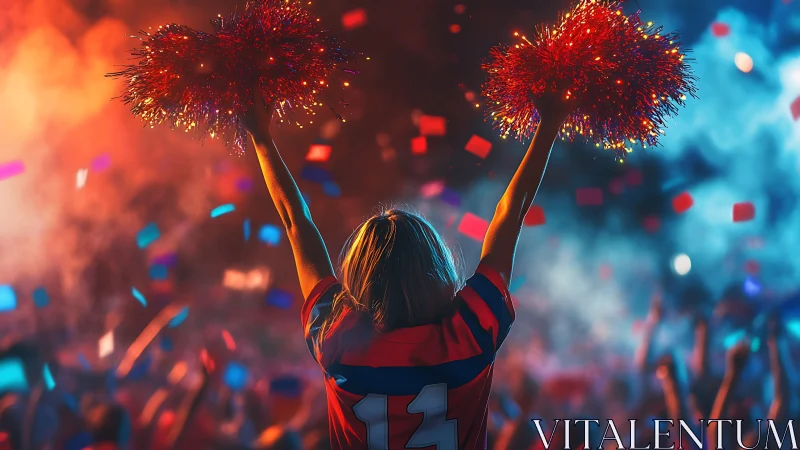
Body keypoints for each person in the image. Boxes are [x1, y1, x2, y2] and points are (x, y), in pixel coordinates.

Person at [240, 86, 573, 449]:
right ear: (435, 265)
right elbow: (511, 213)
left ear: (362, 275)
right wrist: (549, 125)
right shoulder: (469, 335)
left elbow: (295, 223)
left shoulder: (339, 343)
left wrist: (261, 138)